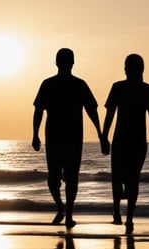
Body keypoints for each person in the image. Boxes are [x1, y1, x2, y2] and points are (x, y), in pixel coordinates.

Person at [32, 48, 104, 228]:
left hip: (72, 139)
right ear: (58, 63)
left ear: (71, 63)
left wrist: (100, 133)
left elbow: (91, 110)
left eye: (66, 61)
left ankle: (69, 214)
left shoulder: (79, 85)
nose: (65, 64)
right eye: (63, 61)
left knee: (71, 178)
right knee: (54, 179)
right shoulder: (48, 84)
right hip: (55, 138)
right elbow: (38, 110)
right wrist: (35, 134)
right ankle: (61, 208)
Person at [100, 53, 149, 233]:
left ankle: (124, 215)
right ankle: (123, 215)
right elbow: (110, 113)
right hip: (130, 141)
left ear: (138, 69)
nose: (126, 69)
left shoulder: (144, 89)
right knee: (126, 179)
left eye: (128, 66)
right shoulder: (126, 88)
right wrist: (104, 137)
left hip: (129, 141)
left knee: (124, 179)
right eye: (126, 66)